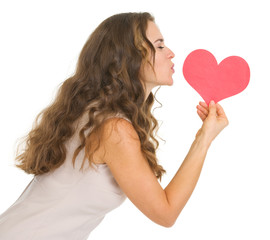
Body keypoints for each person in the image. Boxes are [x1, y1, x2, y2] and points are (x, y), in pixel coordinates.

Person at [0, 12, 228, 239]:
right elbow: (165, 213)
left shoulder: (98, 116)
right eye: (159, 46)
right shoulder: (114, 129)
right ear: (129, 56)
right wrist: (204, 138)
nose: (171, 53)